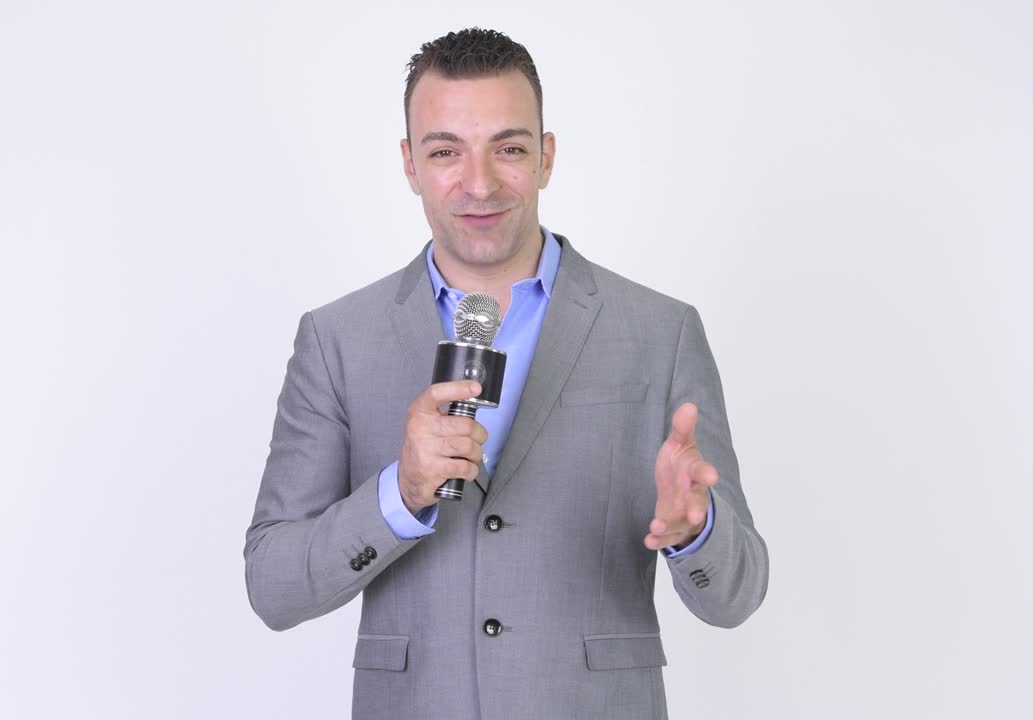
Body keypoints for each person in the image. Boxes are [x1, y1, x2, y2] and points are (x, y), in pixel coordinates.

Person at [243, 27, 769, 720]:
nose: (480, 183)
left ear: (546, 157)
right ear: (409, 164)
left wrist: (698, 527)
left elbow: (736, 595)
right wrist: (398, 495)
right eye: (445, 152)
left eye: (510, 148)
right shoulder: (337, 339)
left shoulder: (660, 331)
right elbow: (274, 587)